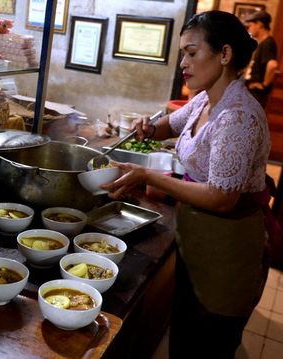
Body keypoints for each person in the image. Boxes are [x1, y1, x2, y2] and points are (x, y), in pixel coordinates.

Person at [101, 10, 270, 358]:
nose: (183, 62)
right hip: (198, 240)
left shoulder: (237, 115)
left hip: (227, 252)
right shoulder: (206, 100)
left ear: (224, 55)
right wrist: (149, 127)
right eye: (182, 54)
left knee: (206, 343)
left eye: (192, 53)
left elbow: (222, 198)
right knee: (186, 336)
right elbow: (170, 126)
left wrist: (148, 175)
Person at [245, 10, 279, 107]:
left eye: (250, 26)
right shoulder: (262, 43)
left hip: (257, 93)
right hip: (251, 90)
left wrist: (264, 85)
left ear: (259, 25)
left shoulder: (267, 43)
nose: (249, 29)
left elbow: (272, 65)